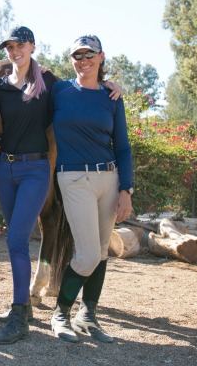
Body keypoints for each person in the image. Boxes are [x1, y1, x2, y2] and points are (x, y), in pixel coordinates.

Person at [0, 27, 122, 345]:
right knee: (17, 240)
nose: (15, 50)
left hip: (43, 170)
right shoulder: (3, 88)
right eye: (10, 46)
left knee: (22, 241)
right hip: (12, 171)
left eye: (21, 45)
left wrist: (106, 85)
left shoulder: (51, 85)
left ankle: (37, 314)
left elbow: (85, 93)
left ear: (33, 47)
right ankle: (27, 308)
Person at [50, 34, 133, 343]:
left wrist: (126, 189)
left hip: (109, 180)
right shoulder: (59, 92)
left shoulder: (111, 97)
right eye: (77, 56)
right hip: (73, 179)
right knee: (86, 256)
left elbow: (123, 147)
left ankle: (88, 315)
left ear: (101, 57)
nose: (83, 61)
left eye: (89, 55)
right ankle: (60, 314)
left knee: (100, 252)